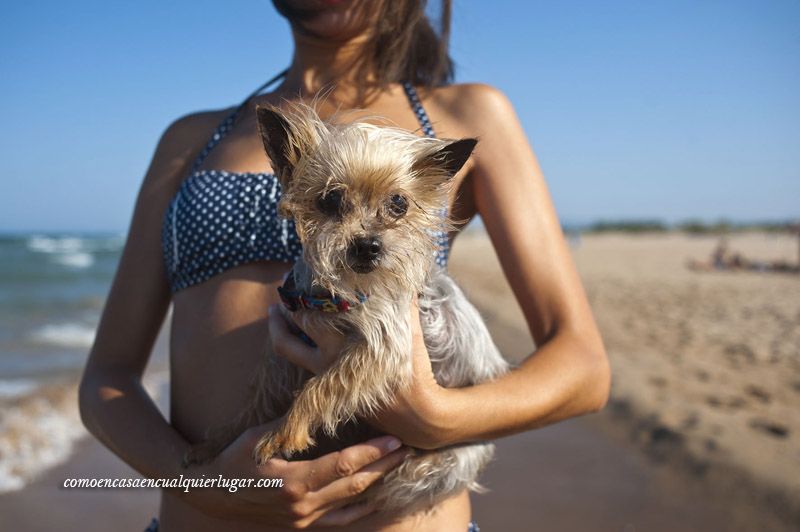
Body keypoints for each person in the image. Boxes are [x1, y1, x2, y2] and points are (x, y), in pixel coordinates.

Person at [78, 1, 610, 530]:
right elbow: (107, 378)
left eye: (395, 206)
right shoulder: (189, 139)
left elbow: (584, 370)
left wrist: (435, 417)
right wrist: (209, 488)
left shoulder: (468, 115)